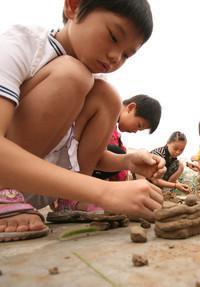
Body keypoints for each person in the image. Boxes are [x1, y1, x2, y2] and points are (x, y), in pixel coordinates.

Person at [0, 0, 165, 242]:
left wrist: (127, 161)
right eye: (113, 36)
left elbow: (84, 156)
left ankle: (73, 201)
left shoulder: (94, 84)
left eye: (127, 55)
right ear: (73, 6)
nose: (115, 57)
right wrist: (104, 192)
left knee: (107, 96)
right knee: (73, 74)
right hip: (8, 174)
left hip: (39, 187)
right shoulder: (23, 44)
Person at [93, 94, 162, 181]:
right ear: (131, 108)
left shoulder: (113, 124)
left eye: (140, 130)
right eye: (139, 125)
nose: (135, 131)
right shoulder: (108, 108)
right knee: (118, 152)